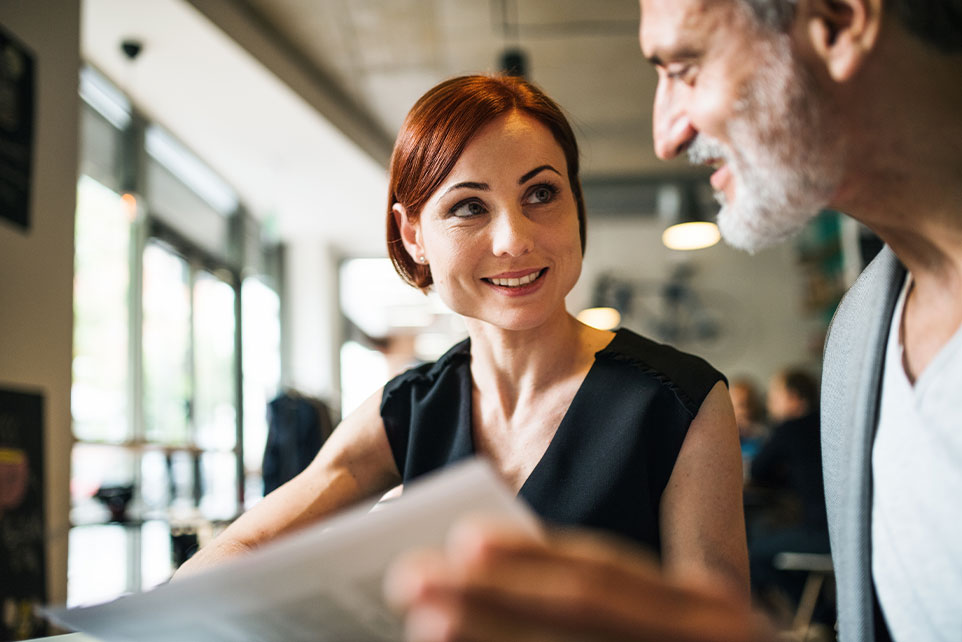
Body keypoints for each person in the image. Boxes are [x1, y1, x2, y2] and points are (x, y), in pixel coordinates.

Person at [384, 1, 962, 641]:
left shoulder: (675, 397)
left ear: (837, 21)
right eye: (468, 208)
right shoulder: (861, 334)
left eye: (684, 68)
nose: (666, 135)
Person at [174, 74, 749, 596]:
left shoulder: (678, 402)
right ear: (413, 233)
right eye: (470, 206)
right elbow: (239, 547)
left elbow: (720, 630)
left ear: (575, 202)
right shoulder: (409, 408)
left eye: (541, 194)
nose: (514, 240)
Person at [748, 368, 829, 622]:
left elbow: (759, 470)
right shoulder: (827, 421)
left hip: (823, 534)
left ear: (794, 398)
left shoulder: (790, 428)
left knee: (755, 554)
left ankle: (820, 619)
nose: (770, 403)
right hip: (851, 532)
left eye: (775, 396)